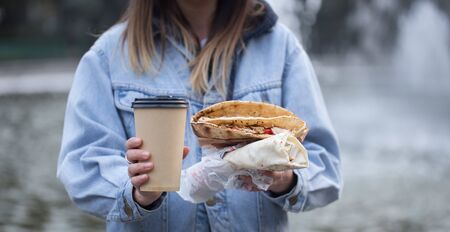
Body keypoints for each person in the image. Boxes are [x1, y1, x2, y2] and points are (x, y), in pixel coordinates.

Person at [57, 0, 342, 231]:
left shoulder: (282, 47)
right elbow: (82, 165)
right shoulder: (108, 55)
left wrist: (286, 179)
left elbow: (323, 161)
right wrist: (135, 191)